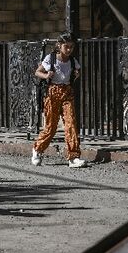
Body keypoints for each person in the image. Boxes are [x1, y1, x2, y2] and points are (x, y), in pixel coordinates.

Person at [31, 33, 87, 168]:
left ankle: (73, 157)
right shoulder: (50, 59)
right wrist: (46, 75)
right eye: (66, 47)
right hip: (52, 93)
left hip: (67, 92)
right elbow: (37, 72)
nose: (69, 50)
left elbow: (75, 73)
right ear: (59, 46)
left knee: (71, 123)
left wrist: (76, 75)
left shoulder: (73, 61)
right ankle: (37, 150)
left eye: (71, 47)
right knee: (51, 127)